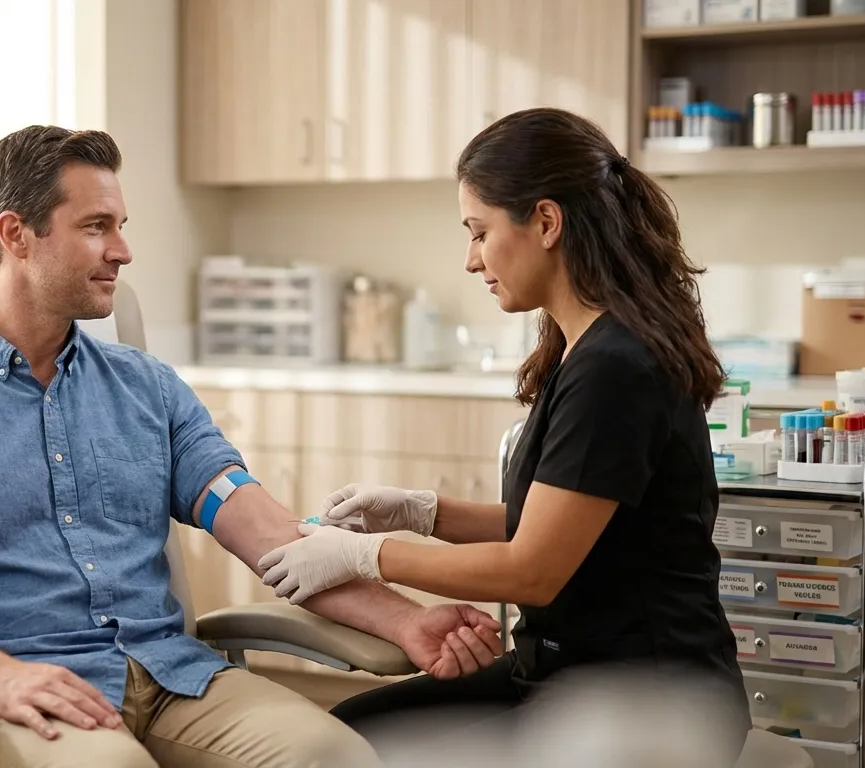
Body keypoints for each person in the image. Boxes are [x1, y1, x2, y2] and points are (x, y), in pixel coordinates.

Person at [0, 124, 505, 768]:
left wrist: (408, 622)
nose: (123, 250)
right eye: (96, 227)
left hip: (173, 676)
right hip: (18, 692)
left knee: (334, 757)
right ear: (15, 235)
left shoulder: (147, 389)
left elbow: (268, 536)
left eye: (120, 227)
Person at [255, 108, 753, 763]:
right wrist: (423, 512)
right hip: (564, 677)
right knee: (337, 741)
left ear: (546, 222)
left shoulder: (614, 367)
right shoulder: (585, 348)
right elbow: (553, 521)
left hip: (646, 703)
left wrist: (365, 555)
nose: (470, 260)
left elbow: (534, 570)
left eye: (479, 231)